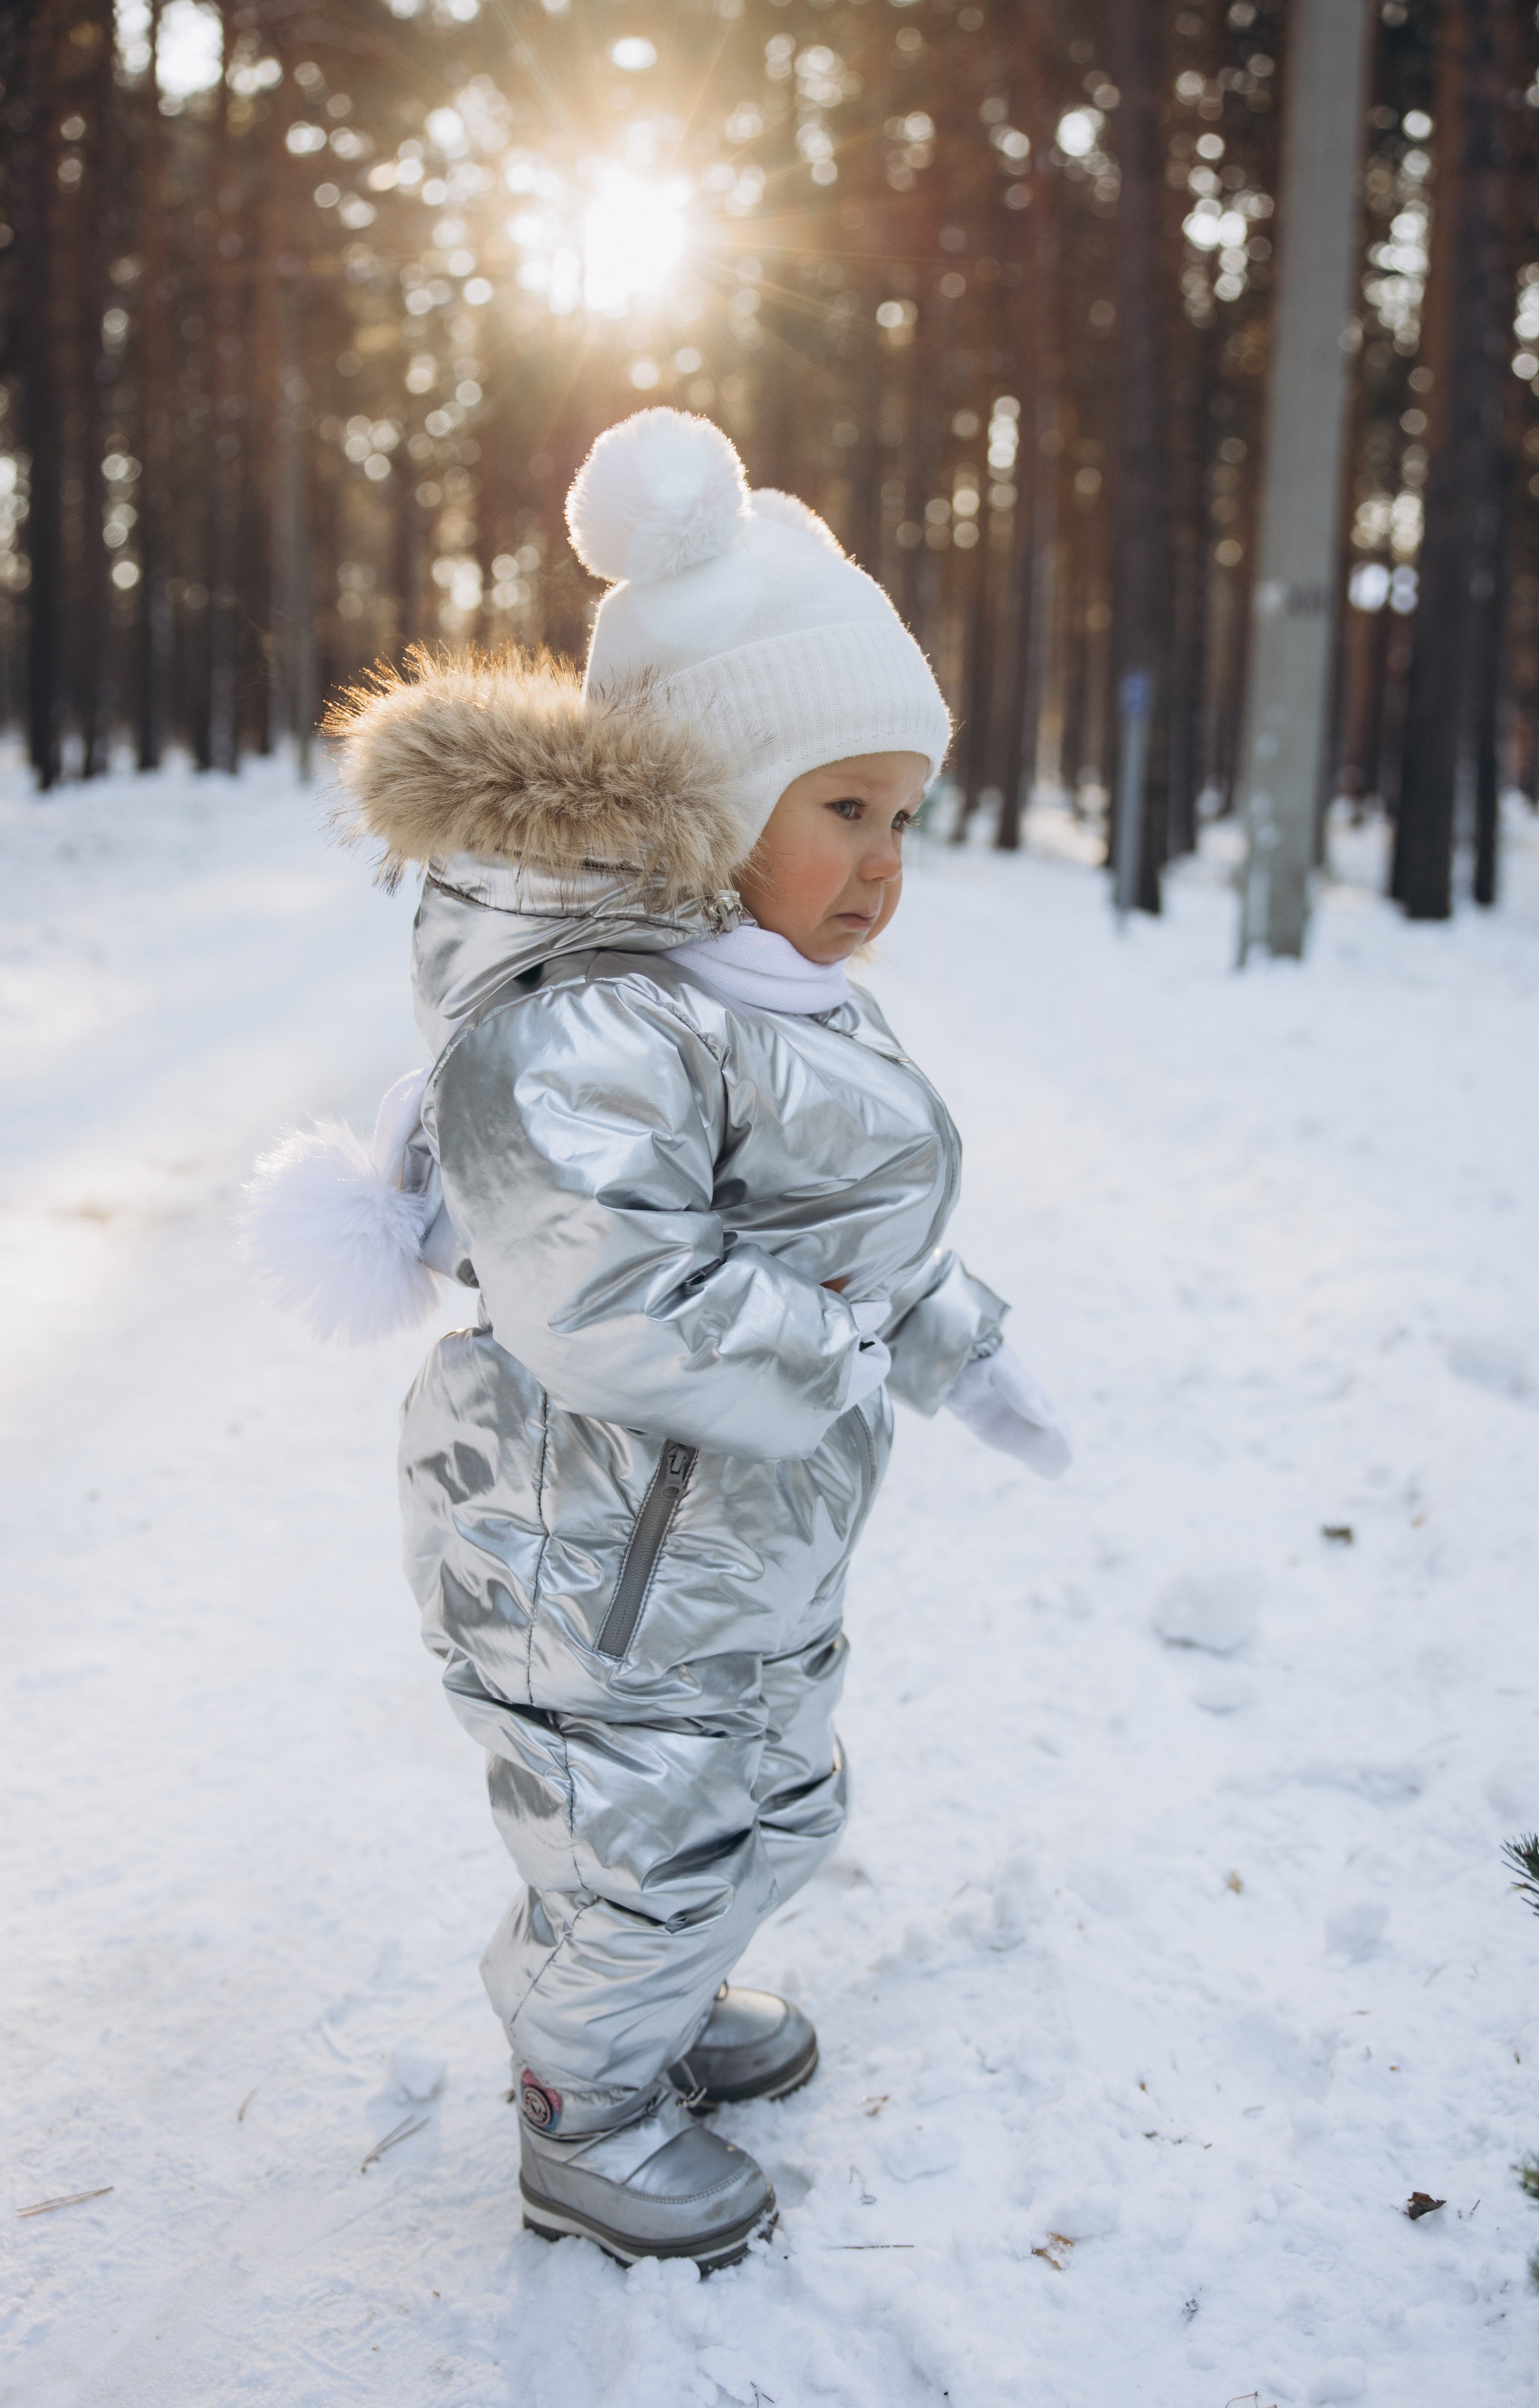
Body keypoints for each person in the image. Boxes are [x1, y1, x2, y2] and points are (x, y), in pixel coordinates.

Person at [270, 408, 1070, 2272]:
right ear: (715, 802)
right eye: (842, 810)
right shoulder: (589, 1023)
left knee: (773, 1798)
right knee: (647, 1842)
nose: (883, 865)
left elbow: (847, 1235)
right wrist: (840, 1354)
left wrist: (956, 1342)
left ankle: (652, 1991)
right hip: (592, 1557)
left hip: (732, 1545)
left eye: (904, 818)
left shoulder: (765, 995)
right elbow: (607, 1298)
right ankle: (587, 2103)